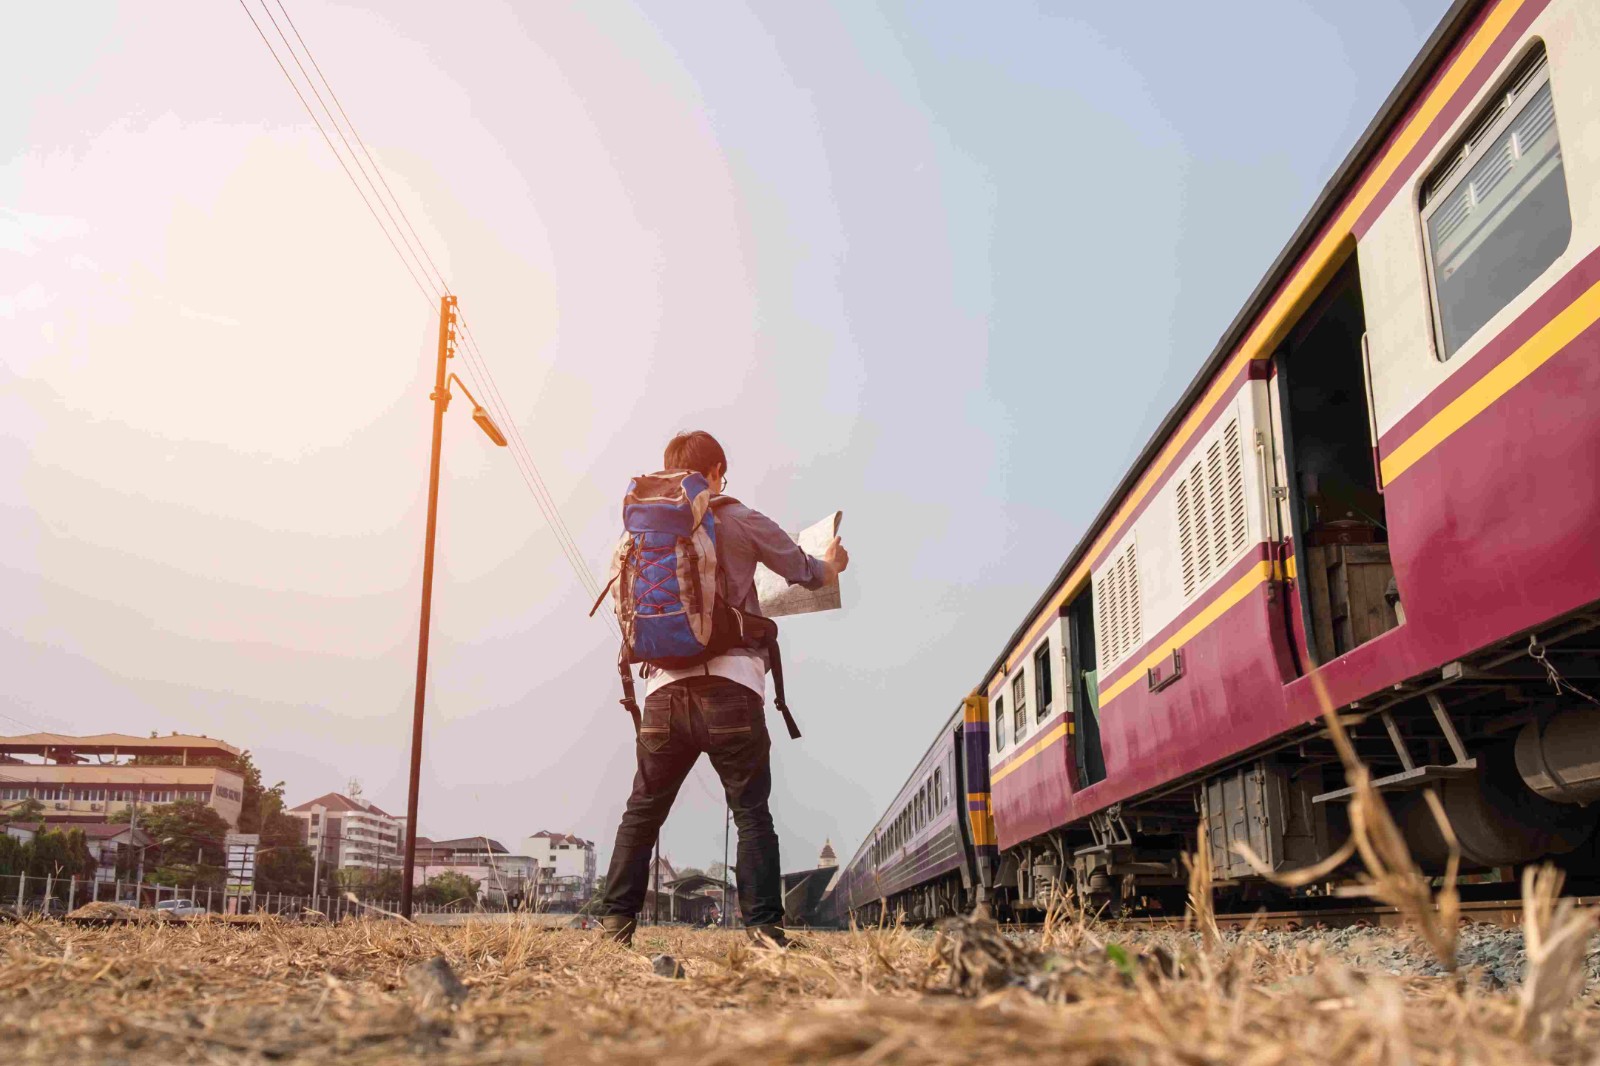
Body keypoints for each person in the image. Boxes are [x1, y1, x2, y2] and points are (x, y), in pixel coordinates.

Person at [599, 430, 848, 948]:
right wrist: (832, 563)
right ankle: (763, 931)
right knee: (752, 812)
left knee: (642, 809)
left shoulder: (639, 533)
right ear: (714, 472)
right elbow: (807, 573)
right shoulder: (739, 518)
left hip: (662, 695)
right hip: (732, 690)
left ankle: (614, 925)